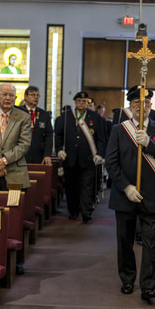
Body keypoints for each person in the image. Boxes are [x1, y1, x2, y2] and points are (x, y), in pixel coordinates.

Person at [106, 86, 155, 302]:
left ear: (150, 105)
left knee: (151, 242)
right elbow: (112, 162)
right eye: (136, 103)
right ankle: (127, 279)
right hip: (125, 194)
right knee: (125, 241)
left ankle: (148, 286)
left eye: (144, 103)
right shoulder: (119, 130)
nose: (140, 107)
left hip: (152, 195)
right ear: (130, 106)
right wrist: (126, 186)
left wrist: (149, 145)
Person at [55, 91, 106, 222]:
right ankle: (73, 210)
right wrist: (59, 149)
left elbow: (101, 138)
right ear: (75, 102)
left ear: (87, 102)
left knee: (87, 187)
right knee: (71, 187)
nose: (81, 103)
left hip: (88, 158)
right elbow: (58, 135)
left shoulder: (95, 117)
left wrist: (100, 153)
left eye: (84, 101)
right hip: (70, 159)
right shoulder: (66, 116)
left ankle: (86, 212)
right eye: (79, 101)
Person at [18, 85, 53, 165]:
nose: (36, 97)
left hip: (38, 155)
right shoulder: (18, 112)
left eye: (37, 95)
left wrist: (47, 154)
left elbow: (49, 135)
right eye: (33, 95)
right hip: (20, 154)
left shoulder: (44, 114)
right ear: (26, 97)